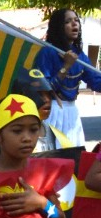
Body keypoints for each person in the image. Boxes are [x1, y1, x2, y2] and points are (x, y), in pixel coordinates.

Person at [34, 8, 101, 146]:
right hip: (52, 111)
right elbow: (45, 89)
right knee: (53, 157)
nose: (74, 24)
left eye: (76, 20)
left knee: (74, 159)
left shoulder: (80, 55)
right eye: (68, 21)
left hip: (72, 113)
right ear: (59, 27)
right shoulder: (48, 52)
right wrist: (66, 66)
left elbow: (96, 82)